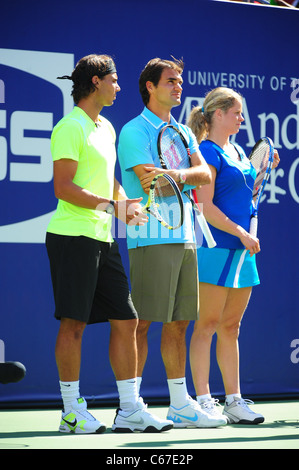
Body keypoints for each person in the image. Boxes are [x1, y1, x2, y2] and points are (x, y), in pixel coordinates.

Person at [46, 54, 173, 434]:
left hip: (103, 236)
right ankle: (71, 411)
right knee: (74, 324)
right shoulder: (70, 127)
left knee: (127, 319)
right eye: (114, 82)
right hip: (72, 236)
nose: (119, 88)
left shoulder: (106, 127)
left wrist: (126, 206)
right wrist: (110, 206)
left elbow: (108, 180)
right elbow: (63, 187)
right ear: (97, 81)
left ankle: (130, 409)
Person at [118, 58, 227, 428]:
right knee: (144, 322)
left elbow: (203, 175)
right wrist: (183, 177)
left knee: (179, 323)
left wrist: (176, 173)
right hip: (150, 237)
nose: (178, 86)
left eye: (180, 81)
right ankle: (129, 407)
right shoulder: (134, 131)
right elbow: (150, 182)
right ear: (150, 86)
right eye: (170, 81)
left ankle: (179, 404)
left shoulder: (182, 130)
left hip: (185, 238)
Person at [187, 87, 280, 424]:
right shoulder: (207, 152)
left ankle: (234, 400)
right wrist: (241, 233)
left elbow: (245, 195)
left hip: (243, 251)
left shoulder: (240, 150)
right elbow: (206, 206)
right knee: (207, 324)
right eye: (237, 113)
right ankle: (203, 399)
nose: (242, 119)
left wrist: (260, 174)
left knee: (231, 326)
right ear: (219, 114)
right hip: (217, 249)